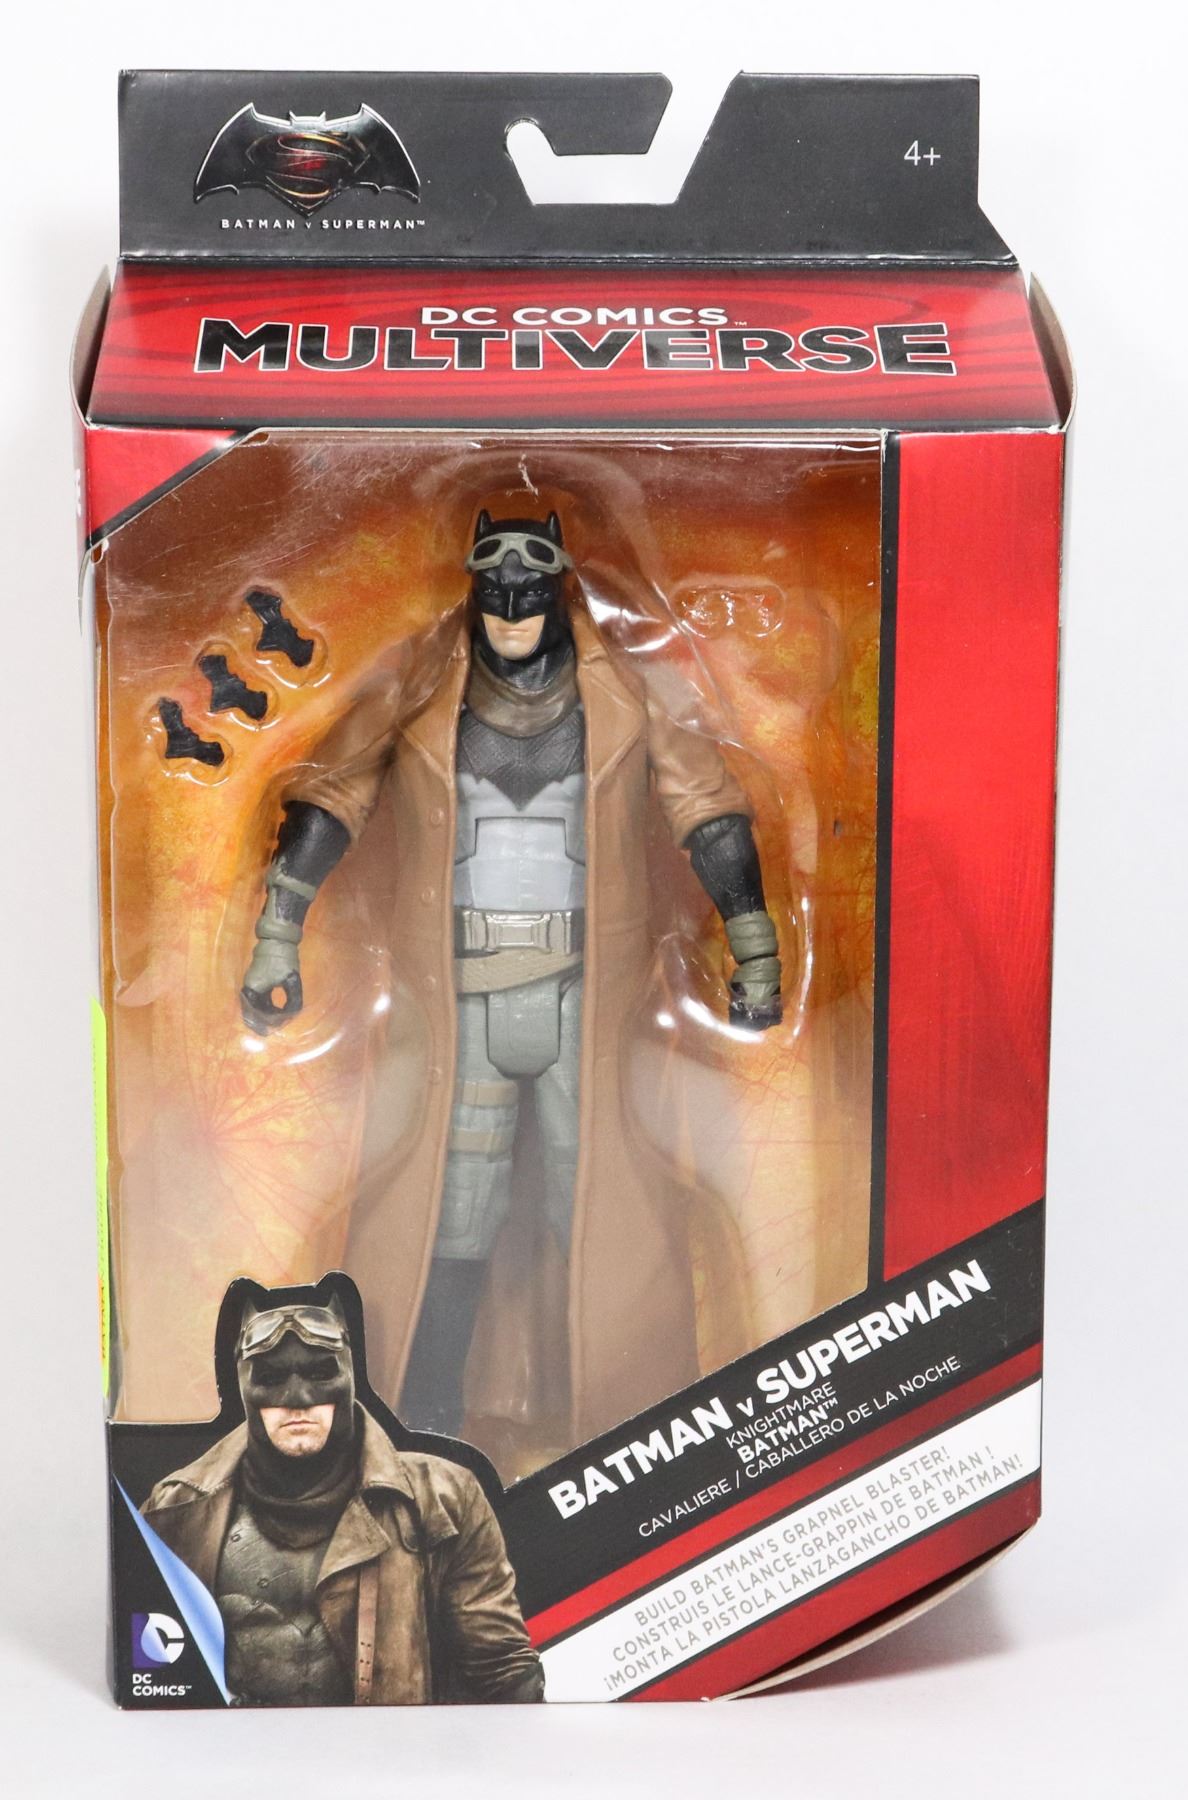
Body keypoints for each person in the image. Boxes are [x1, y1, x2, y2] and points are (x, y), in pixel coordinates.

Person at [239, 511, 784, 1443]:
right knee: (452, 1212)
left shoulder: (628, 690)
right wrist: (277, 933)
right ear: (476, 589)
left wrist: (754, 942)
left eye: (531, 592)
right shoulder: (420, 687)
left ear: (560, 586)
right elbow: (333, 797)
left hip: (585, 996)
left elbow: (709, 811)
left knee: (598, 1203)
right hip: (460, 998)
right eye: (496, 592)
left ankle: (624, 1426)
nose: (513, 609)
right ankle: (421, 1423)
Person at [141, 1295, 544, 1706]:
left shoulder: (443, 1499)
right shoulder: (176, 1510)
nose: (297, 1399)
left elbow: (503, 1669)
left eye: (319, 1374)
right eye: (272, 1378)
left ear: (348, 1377)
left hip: (390, 1745)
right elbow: (151, 1671)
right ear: (245, 1387)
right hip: (235, 1746)